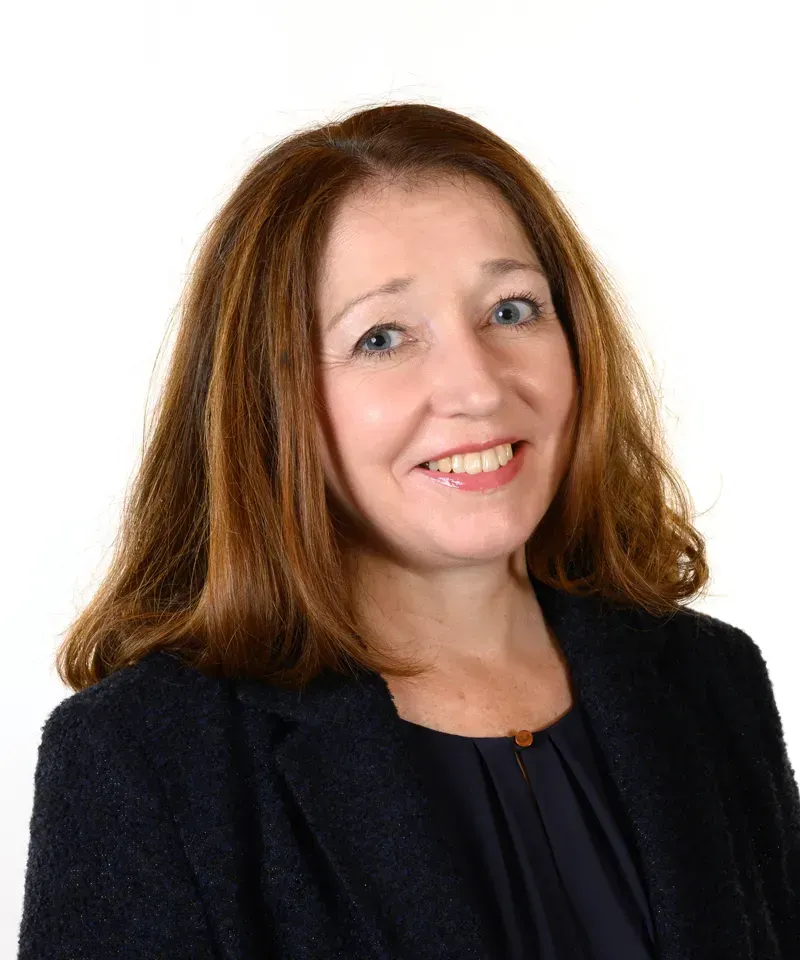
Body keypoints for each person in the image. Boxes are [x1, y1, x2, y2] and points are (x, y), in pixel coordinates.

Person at [18, 102, 799, 959]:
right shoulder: (145, 758)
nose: (478, 387)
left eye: (512, 311)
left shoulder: (709, 680)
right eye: (383, 337)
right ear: (267, 403)